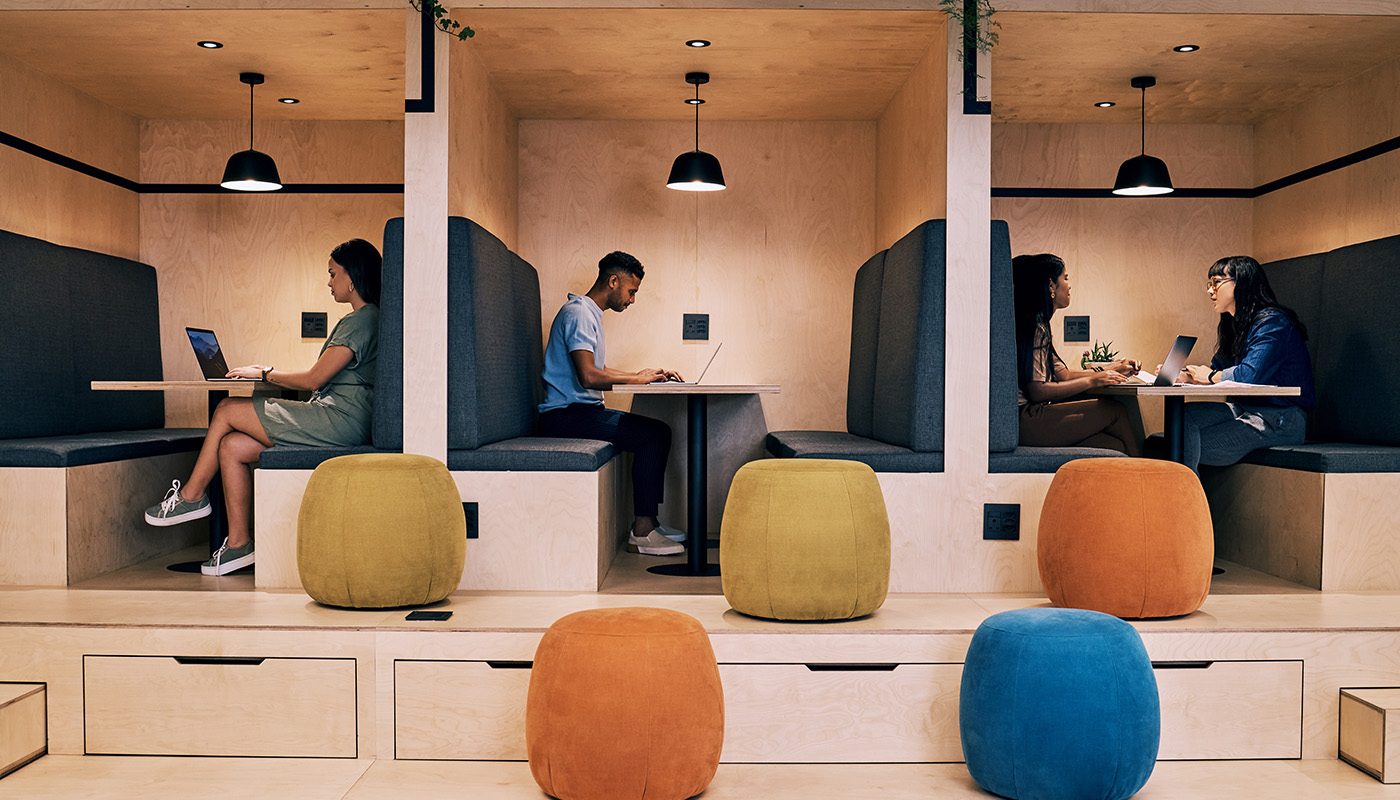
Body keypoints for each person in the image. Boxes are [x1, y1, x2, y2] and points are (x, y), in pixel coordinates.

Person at [143, 238, 382, 575]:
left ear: (352, 277)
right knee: (232, 446)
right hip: (342, 417)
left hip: (339, 420)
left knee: (227, 408)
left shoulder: (361, 320)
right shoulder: (368, 318)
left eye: (332, 274)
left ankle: (192, 496)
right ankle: (239, 545)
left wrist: (265, 372)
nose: (328, 282)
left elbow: (315, 379)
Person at [535, 251, 686, 557]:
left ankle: (650, 523)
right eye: (631, 292)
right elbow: (589, 377)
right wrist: (636, 380)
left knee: (657, 431)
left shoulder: (587, 313)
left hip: (578, 412)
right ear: (613, 281)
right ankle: (643, 531)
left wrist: (643, 375)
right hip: (565, 416)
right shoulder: (578, 314)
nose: (632, 300)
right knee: (654, 434)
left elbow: (597, 368)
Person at [1170, 255, 1314, 473]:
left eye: (1216, 282)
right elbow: (1219, 370)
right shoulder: (1235, 323)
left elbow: (1249, 376)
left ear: (1242, 282)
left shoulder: (1273, 322)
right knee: (1182, 417)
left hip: (1279, 419)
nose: (1210, 291)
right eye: (1209, 284)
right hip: (1244, 409)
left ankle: (1186, 505)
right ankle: (1186, 501)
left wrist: (1208, 377)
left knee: (1182, 446)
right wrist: (1185, 376)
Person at [1012, 253, 1142, 457]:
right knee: (1115, 411)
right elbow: (1037, 391)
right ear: (1051, 286)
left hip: (1027, 419)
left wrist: (1109, 370)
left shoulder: (1037, 326)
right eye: (1065, 278)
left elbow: (1063, 375)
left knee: (1114, 446)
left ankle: (1136, 474)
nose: (1069, 285)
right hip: (1025, 420)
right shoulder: (1035, 329)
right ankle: (1144, 476)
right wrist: (1092, 382)